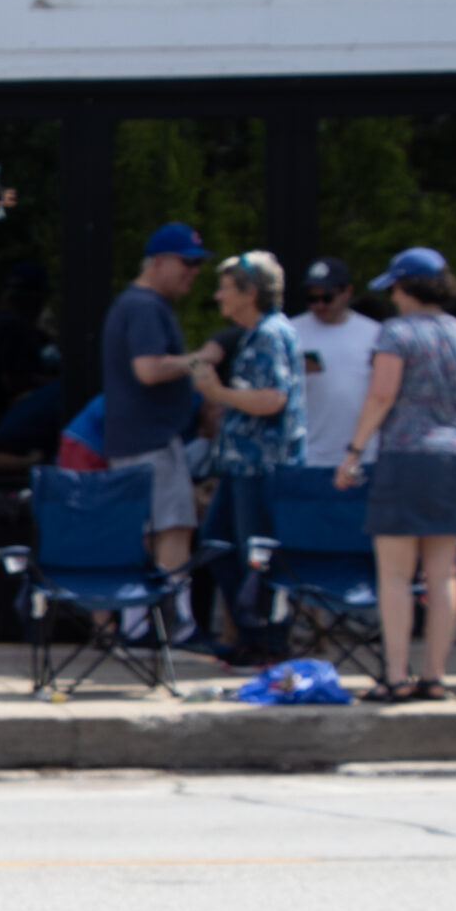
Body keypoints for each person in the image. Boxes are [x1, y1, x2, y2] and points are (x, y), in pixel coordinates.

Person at [333, 248, 456, 701]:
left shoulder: (397, 333)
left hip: (406, 457)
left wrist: (353, 451)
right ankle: (434, 676)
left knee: (395, 574)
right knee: (444, 571)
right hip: (455, 458)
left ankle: (395, 674)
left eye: (395, 287)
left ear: (405, 287)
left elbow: (382, 394)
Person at [101, 223, 223, 648]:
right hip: (150, 441)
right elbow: (148, 370)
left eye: (197, 264)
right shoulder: (146, 305)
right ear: (158, 262)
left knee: (153, 532)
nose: (194, 272)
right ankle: (176, 627)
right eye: (187, 262)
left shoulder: (136, 304)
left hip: (139, 439)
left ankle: (138, 626)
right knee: (173, 529)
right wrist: (200, 359)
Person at [189, 251, 305, 663]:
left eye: (225, 287)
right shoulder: (257, 334)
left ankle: (267, 642)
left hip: (262, 467)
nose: (218, 295)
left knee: (256, 554)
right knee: (218, 543)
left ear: (249, 292)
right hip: (240, 465)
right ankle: (252, 634)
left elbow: (273, 398)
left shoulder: (271, 334)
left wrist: (216, 394)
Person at [291, 257, 381, 471]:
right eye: (311, 298)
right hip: (305, 458)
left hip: (362, 457)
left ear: (347, 291)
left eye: (327, 297)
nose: (319, 305)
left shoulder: (375, 334)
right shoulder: (289, 332)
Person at [0, 261, 52, 440]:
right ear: (31, 297)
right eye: (41, 298)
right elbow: (13, 379)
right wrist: (55, 385)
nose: (41, 306)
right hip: (7, 429)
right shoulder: (14, 327)